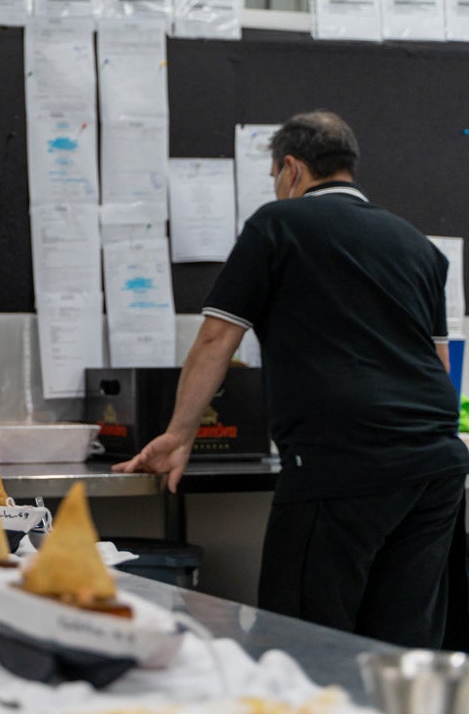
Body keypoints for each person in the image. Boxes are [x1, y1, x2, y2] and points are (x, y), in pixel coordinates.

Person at [114, 110, 469, 648]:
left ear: (292, 169)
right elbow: (440, 365)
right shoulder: (416, 244)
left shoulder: (277, 225)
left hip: (342, 462)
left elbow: (216, 339)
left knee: (306, 642)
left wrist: (180, 434)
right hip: (437, 468)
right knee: (400, 645)